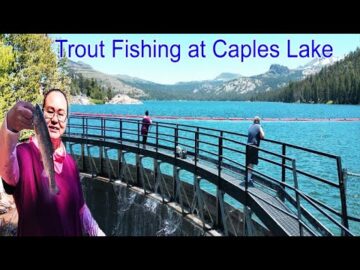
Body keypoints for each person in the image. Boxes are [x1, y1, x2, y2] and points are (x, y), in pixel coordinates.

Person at [0, 89, 105, 236]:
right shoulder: (22, 154)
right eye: (50, 111)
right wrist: (9, 127)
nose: (55, 119)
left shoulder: (70, 163)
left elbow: (81, 209)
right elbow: (6, 165)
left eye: (61, 114)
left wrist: (97, 232)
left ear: (66, 121)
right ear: (41, 115)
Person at [246, 116, 265, 186]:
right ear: (259, 121)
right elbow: (263, 136)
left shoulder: (250, 126)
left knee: (248, 162)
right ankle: (248, 180)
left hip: (248, 145)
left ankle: (248, 177)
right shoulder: (259, 126)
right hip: (254, 146)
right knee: (251, 163)